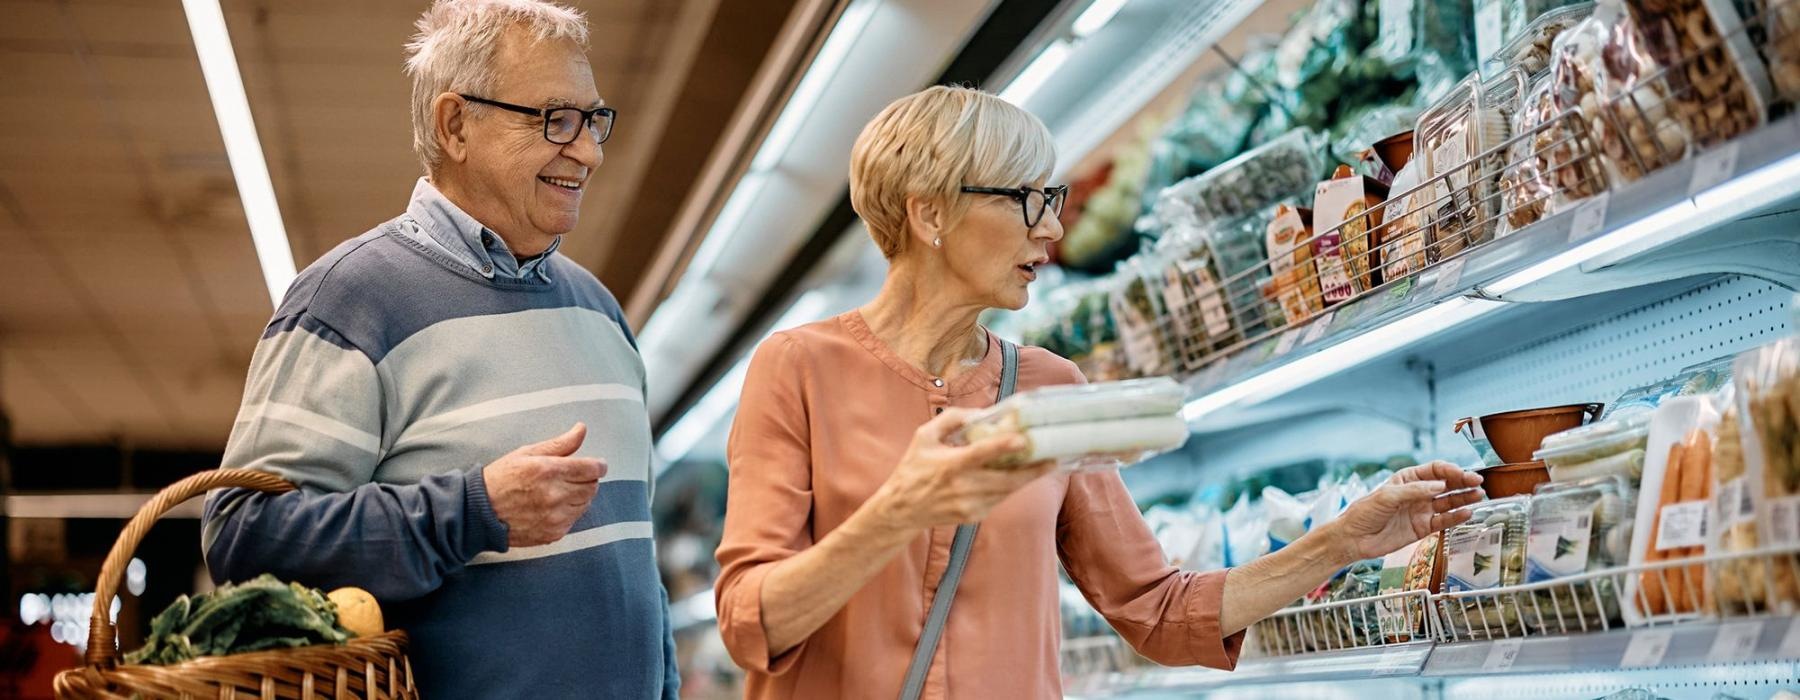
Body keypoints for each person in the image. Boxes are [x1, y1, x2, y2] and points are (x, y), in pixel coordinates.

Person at [712, 85, 1484, 698]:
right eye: (1026, 200)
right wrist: (900, 510)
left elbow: (1158, 610)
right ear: (929, 211)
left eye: (1053, 200)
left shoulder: (1050, 385)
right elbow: (750, 623)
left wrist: (1343, 541)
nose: (1051, 230)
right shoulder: (799, 368)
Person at [200, 1, 676, 697]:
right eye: (555, 120)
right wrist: (472, 511)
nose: (588, 150)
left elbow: (639, 565)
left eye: (593, 119)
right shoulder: (349, 301)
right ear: (456, 125)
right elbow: (244, 542)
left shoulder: (601, 311)